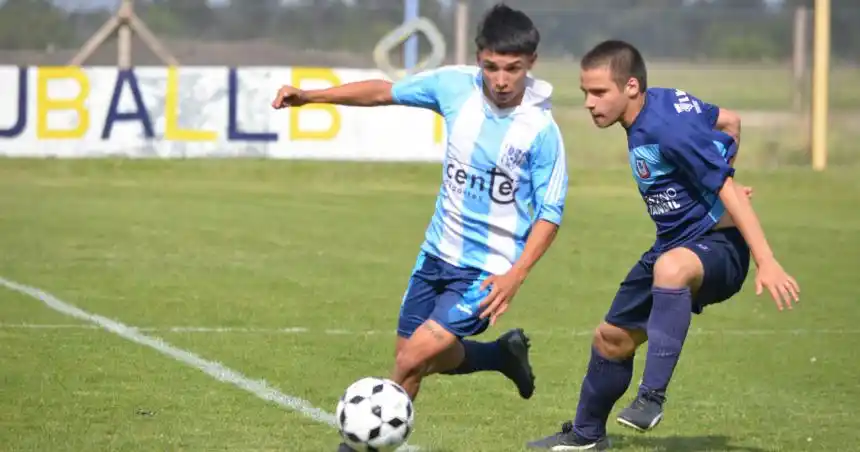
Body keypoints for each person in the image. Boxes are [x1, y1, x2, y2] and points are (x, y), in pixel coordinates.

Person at [271, 4, 568, 451]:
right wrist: (312, 97)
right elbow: (383, 92)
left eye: (513, 69)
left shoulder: (542, 131)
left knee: (411, 359)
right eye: (491, 67)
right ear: (478, 58)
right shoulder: (454, 87)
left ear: (531, 64)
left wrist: (516, 274)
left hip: (485, 271)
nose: (501, 80)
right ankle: (502, 356)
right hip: (435, 253)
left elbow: (550, 212)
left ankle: (357, 446)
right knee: (416, 360)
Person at [526, 40, 800, 450]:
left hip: (718, 245)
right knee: (610, 339)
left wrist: (766, 259)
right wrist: (720, 168)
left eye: (599, 92)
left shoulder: (665, 128)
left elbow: (724, 183)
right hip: (673, 242)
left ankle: (651, 398)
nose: (588, 102)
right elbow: (730, 122)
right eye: (585, 92)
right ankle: (586, 435)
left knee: (671, 269)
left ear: (631, 86)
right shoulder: (665, 105)